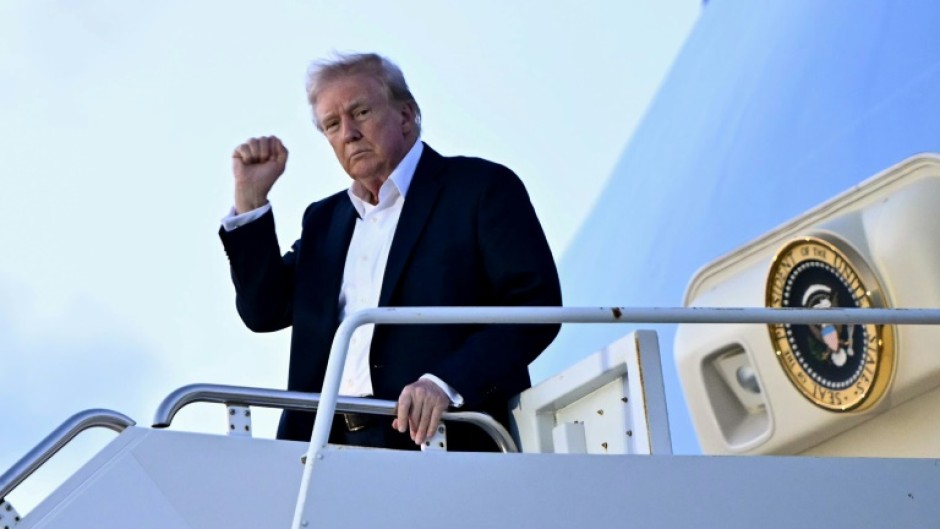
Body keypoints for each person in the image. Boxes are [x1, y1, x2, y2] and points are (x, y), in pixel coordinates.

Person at [219, 52, 561, 451]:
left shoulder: (479, 188)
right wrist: (250, 200)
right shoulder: (323, 221)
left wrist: (446, 382)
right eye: (332, 124)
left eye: (360, 112)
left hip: (441, 437)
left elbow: (535, 308)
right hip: (325, 451)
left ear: (406, 114)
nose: (348, 132)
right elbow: (263, 311)